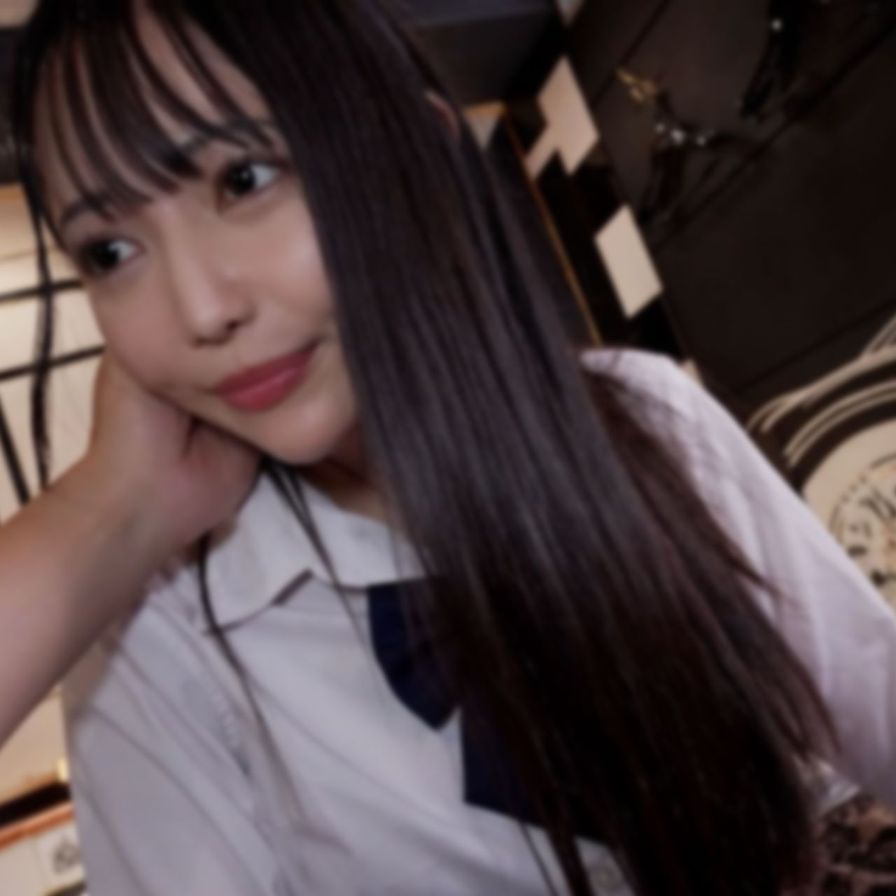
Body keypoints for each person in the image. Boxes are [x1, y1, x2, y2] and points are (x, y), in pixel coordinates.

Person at [1, 1, 894, 894]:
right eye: (109, 251)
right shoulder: (155, 632)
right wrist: (106, 510)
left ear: (417, 157)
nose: (201, 310)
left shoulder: (646, 416)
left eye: (244, 178)